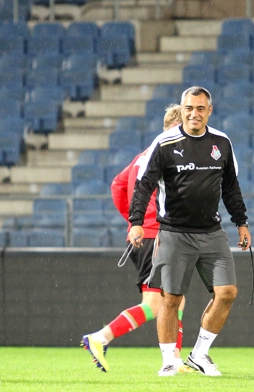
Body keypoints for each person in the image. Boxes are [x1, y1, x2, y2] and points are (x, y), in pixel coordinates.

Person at [127, 86, 251, 376]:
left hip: (211, 231)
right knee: (171, 298)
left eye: (200, 108)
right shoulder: (165, 143)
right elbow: (144, 184)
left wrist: (241, 221)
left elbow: (230, 186)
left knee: (228, 292)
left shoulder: (222, 142)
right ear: (181, 110)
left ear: (209, 111)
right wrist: (135, 222)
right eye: (189, 108)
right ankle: (170, 359)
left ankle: (199, 355)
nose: (194, 113)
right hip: (174, 232)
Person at [82, 104, 192, 375]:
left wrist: (134, 223)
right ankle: (101, 337)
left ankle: (175, 359)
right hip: (158, 235)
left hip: (144, 235)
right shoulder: (172, 153)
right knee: (155, 303)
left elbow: (118, 186)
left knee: (176, 299)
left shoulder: (142, 156)